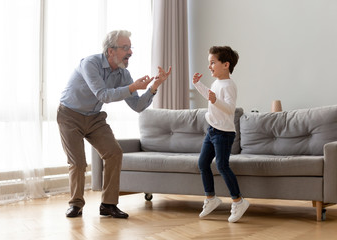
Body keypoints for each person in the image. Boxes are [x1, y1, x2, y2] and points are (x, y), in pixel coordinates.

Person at [57, 30, 172, 218]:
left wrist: (154, 86)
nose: (130, 52)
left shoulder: (123, 74)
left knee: (114, 152)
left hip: (94, 117)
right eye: (125, 48)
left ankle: (108, 205)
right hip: (70, 115)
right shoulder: (90, 64)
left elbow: (137, 106)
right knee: (78, 163)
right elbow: (103, 95)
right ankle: (76, 204)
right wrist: (133, 87)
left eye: (130, 47)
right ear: (110, 51)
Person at [192, 46, 249, 223]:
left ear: (225, 64)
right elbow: (210, 96)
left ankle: (238, 201)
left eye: (212, 62)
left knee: (222, 165)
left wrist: (216, 100)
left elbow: (230, 109)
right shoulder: (217, 83)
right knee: (203, 163)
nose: (209, 66)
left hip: (224, 133)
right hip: (212, 130)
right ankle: (211, 198)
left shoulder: (229, 85)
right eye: (209, 63)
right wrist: (197, 85)